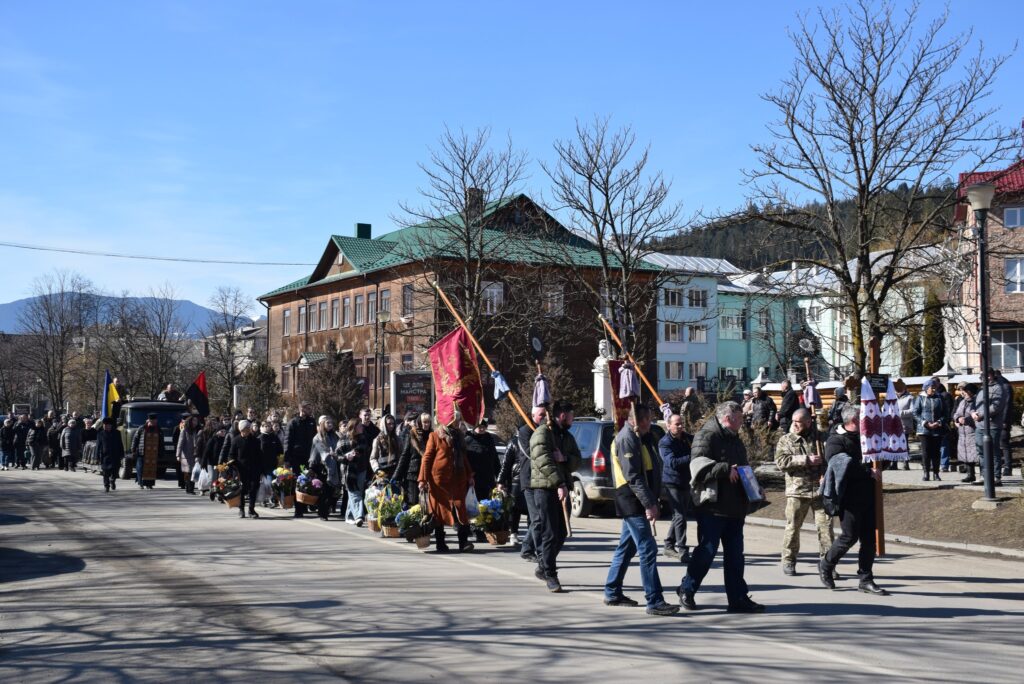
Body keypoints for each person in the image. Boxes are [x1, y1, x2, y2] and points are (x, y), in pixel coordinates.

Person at [679, 401, 765, 613]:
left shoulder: (734, 437)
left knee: (735, 556)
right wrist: (725, 469)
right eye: (739, 418)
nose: (743, 421)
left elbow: (743, 467)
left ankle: (737, 599)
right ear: (728, 418)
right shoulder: (707, 435)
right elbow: (697, 467)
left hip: (735, 507)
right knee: (706, 552)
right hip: (713, 507)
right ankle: (686, 589)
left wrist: (755, 486)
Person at [604, 404, 679, 616]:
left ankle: (612, 591)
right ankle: (654, 600)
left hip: (637, 500)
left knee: (626, 548)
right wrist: (650, 504)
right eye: (648, 419)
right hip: (631, 501)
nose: (651, 423)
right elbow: (633, 477)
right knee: (648, 549)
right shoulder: (627, 438)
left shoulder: (639, 437)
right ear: (639, 420)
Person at [820, 405, 888, 595]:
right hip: (848, 497)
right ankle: (826, 564)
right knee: (849, 536)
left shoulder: (868, 439)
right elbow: (842, 466)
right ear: (853, 421)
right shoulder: (836, 440)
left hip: (869, 494)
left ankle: (866, 579)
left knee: (869, 539)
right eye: (862, 418)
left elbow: (879, 462)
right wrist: (868, 470)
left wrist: (884, 457)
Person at [528, 400, 582, 593]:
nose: (572, 420)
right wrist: (558, 483)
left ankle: (543, 565)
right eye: (571, 416)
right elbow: (543, 461)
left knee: (561, 533)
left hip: (563, 488)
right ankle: (550, 573)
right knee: (550, 533)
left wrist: (565, 459)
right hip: (545, 489)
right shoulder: (542, 434)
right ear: (562, 415)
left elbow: (577, 459)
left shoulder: (565, 436)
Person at [775, 408, 833, 576]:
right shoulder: (786, 440)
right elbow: (781, 462)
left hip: (821, 491)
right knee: (793, 527)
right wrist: (806, 460)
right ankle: (789, 561)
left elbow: (831, 458)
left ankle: (827, 564)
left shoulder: (821, 437)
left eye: (798, 422)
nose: (794, 424)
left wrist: (827, 474)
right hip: (797, 491)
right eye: (793, 421)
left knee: (826, 528)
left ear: (808, 422)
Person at [419, 415, 475, 553]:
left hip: (458, 479)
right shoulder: (435, 436)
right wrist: (423, 479)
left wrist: (470, 475)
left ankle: (464, 542)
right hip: (439, 481)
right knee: (439, 512)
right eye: (455, 420)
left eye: (459, 420)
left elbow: (463, 457)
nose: (458, 422)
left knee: (461, 509)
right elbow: (427, 458)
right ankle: (440, 543)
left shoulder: (459, 436)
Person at [498, 407, 545, 561]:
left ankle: (535, 549)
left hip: (542, 481)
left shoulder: (545, 430)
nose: (544, 417)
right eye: (541, 415)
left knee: (537, 518)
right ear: (532, 416)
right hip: (523, 481)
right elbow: (506, 464)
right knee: (522, 513)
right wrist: (501, 481)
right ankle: (524, 545)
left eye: (546, 414)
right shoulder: (524, 434)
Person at [660, 413, 692, 562]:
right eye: (676, 424)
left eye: (681, 424)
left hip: (685, 481)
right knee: (680, 515)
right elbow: (672, 462)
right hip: (672, 482)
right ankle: (682, 549)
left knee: (679, 515)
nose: (680, 427)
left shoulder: (686, 438)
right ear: (669, 425)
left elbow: (698, 442)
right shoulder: (665, 443)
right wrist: (692, 457)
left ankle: (668, 544)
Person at [971, 369, 1008, 486]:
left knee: (994, 451)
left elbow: (995, 407)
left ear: (992, 376)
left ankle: (996, 477)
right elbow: (974, 404)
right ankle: (984, 475)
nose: (984, 378)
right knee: (980, 451)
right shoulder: (981, 389)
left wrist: (981, 415)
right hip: (979, 426)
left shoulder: (999, 388)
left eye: (986, 375)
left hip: (992, 426)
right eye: (982, 376)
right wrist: (973, 413)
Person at [465, 418, 501, 524]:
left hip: (488, 477)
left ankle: (484, 526)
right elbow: (464, 459)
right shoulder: (468, 439)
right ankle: (474, 526)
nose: (481, 429)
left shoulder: (489, 439)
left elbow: (495, 458)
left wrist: (499, 476)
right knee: (474, 504)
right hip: (474, 478)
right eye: (479, 427)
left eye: (483, 427)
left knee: (486, 504)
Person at [285, 402, 317, 518]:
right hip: (296, 457)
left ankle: (305, 505)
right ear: (302, 409)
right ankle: (298, 509)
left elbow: (315, 439)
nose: (310, 410)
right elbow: (287, 442)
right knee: (298, 482)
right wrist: (287, 460)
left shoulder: (312, 422)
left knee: (308, 481)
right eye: (308, 408)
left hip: (309, 457)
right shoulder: (293, 422)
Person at [914, 379, 949, 481]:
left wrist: (938, 422)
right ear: (926, 388)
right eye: (931, 387)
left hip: (937, 429)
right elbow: (915, 413)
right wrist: (925, 423)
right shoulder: (920, 398)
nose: (933, 389)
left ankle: (936, 473)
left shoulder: (940, 398)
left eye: (935, 387)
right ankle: (926, 473)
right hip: (924, 430)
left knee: (936, 452)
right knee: (926, 452)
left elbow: (946, 413)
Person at [395, 412, 431, 507]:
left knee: (427, 502)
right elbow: (404, 455)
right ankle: (414, 521)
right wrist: (396, 475)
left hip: (428, 472)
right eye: (424, 422)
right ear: (419, 422)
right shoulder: (412, 435)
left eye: (428, 422)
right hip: (413, 473)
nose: (426, 424)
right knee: (414, 502)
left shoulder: (433, 435)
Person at [308, 416, 340, 520]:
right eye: (328, 423)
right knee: (323, 491)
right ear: (322, 424)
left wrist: (337, 455)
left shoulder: (335, 436)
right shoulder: (318, 437)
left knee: (331, 491)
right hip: (321, 466)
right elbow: (321, 452)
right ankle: (322, 513)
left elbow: (339, 448)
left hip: (334, 465)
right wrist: (330, 455)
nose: (330, 425)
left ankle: (325, 510)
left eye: (331, 423)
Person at [229, 420, 262, 518]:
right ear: (241, 430)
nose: (247, 430)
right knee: (242, 490)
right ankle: (241, 509)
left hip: (254, 469)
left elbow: (260, 455)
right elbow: (231, 455)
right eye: (245, 429)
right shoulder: (236, 440)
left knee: (253, 489)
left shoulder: (255, 440)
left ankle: (251, 510)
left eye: (248, 428)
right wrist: (232, 464)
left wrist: (260, 469)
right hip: (240, 470)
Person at [341, 417, 370, 525]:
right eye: (359, 425)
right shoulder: (343, 439)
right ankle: (358, 516)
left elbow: (363, 451)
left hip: (361, 468)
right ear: (354, 427)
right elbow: (337, 455)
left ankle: (349, 516)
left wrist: (355, 453)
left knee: (355, 493)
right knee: (355, 493)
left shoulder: (363, 438)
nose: (361, 427)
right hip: (349, 470)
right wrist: (346, 456)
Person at [130, 414, 164, 489]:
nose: (154, 423)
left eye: (155, 421)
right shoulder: (142, 428)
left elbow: (161, 441)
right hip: (142, 451)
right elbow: (135, 439)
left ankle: (149, 484)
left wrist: (161, 451)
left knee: (151, 469)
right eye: (152, 421)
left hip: (153, 452)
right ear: (149, 421)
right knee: (140, 468)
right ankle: (141, 483)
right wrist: (133, 449)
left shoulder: (158, 429)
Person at [954, 384, 979, 483]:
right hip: (963, 432)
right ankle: (970, 475)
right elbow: (956, 413)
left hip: (972, 432)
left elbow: (978, 416)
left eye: (966, 391)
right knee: (966, 454)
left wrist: (967, 420)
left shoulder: (977, 402)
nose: (963, 393)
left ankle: (982, 476)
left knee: (975, 454)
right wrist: (957, 419)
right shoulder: (962, 402)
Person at [993, 369, 1013, 478]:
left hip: (1002, 420)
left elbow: (1006, 405)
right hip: (1002, 419)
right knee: (1002, 443)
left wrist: (1004, 420)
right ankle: (1006, 467)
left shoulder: (1003, 385)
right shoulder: (1005, 384)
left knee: (1003, 444)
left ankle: (1007, 467)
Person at [370, 414, 402, 479]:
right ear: (384, 425)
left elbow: (401, 455)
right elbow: (373, 458)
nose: (391, 426)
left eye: (393, 423)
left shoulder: (397, 439)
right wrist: (377, 470)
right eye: (389, 424)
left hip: (395, 471)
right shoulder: (377, 440)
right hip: (382, 472)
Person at [97, 416, 124, 492]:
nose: (106, 427)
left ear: (111, 425)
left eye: (107, 425)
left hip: (115, 455)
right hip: (105, 456)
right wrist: (97, 456)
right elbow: (98, 446)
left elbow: (120, 444)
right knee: (105, 473)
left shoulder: (117, 433)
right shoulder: (100, 434)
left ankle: (112, 480)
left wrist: (122, 454)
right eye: (104, 425)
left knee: (115, 471)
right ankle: (106, 486)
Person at [176, 415, 201, 494]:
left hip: (194, 455)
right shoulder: (185, 430)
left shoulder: (197, 430)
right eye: (194, 421)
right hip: (186, 455)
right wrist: (178, 455)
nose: (195, 423)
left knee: (193, 472)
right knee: (188, 472)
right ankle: (189, 488)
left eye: (196, 421)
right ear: (190, 421)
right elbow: (180, 443)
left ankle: (190, 489)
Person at [895, 379, 915, 471]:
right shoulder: (892, 397)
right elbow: (884, 407)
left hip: (904, 425)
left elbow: (913, 411)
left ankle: (905, 463)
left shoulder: (910, 398)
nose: (898, 390)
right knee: (893, 444)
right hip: (893, 425)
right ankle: (893, 463)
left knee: (904, 445)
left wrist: (900, 412)